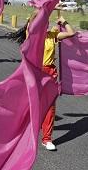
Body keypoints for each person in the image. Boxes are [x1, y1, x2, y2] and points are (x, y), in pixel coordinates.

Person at [29, 11, 76, 151]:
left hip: (50, 73)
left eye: (46, 22)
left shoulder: (52, 36)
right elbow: (32, 22)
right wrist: (43, 9)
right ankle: (28, 132)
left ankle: (47, 139)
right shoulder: (32, 34)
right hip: (34, 72)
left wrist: (63, 21)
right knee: (33, 104)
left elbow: (71, 33)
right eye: (42, 22)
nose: (45, 24)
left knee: (50, 106)